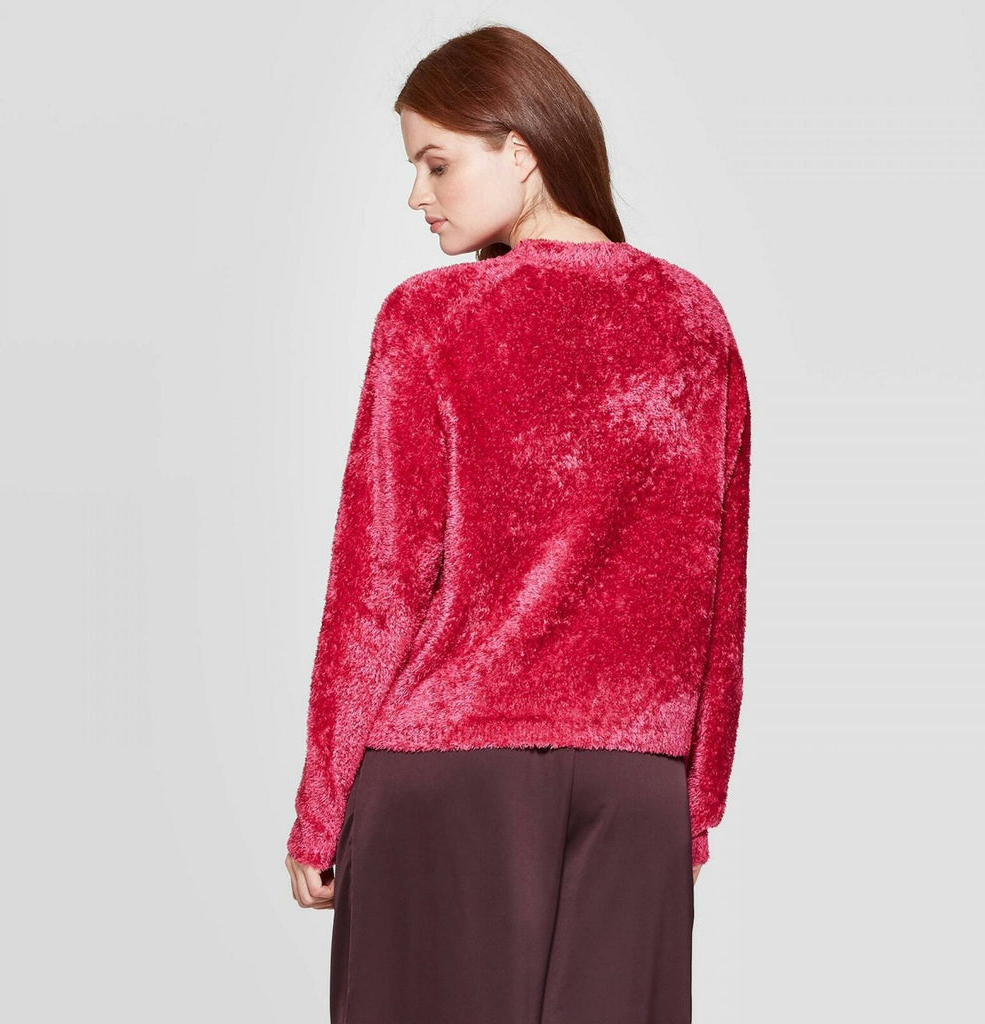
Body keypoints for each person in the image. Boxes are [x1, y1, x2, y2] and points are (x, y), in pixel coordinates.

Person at [284, 24, 751, 1024]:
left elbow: (377, 582)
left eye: (436, 162)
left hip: (447, 781)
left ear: (523, 150)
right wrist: (691, 808)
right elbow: (718, 590)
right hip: (635, 789)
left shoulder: (429, 319)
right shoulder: (695, 319)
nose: (418, 195)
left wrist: (321, 809)